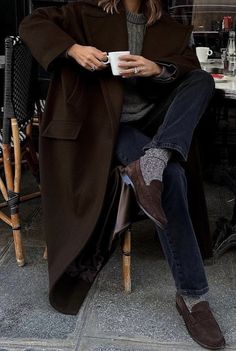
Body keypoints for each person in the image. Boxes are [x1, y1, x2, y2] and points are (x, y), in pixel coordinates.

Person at [19, 0, 225, 349]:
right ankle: (193, 297)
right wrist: (72, 49)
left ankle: (155, 158)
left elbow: (187, 70)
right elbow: (31, 24)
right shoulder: (82, 13)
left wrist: (156, 69)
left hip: (155, 125)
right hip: (106, 129)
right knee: (171, 177)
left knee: (203, 81)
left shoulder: (169, 27)